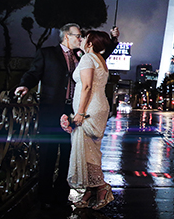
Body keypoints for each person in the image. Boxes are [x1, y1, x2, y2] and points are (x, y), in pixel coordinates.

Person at [15, 24, 119, 211]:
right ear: (66, 36)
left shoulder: (83, 56)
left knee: (68, 154)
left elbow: (98, 53)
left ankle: (62, 195)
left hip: (74, 111)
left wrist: (112, 40)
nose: (81, 39)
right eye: (78, 36)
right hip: (52, 109)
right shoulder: (47, 53)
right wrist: (24, 85)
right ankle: (45, 196)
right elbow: (33, 73)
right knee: (48, 153)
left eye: (82, 37)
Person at [67, 30, 113, 210]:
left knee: (86, 150)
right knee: (90, 149)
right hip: (100, 107)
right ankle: (89, 191)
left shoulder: (88, 59)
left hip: (89, 109)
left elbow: (86, 87)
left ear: (91, 43)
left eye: (85, 37)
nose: (82, 39)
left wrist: (79, 112)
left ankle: (101, 187)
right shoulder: (101, 60)